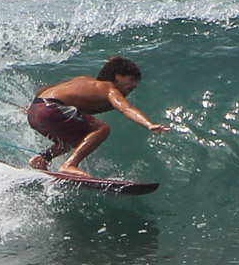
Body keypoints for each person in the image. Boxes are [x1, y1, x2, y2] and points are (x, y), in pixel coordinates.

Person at [26, 56, 168, 177]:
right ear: (118, 76)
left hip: (34, 111)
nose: (135, 85)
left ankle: (41, 159)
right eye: (132, 79)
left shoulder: (82, 80)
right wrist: (148, 124)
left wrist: (32, 108)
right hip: (51, 108)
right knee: (102, 129)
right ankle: (69, 165)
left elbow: (43, 90)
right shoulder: (110, 89)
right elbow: (126, 108)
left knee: (79, 139)